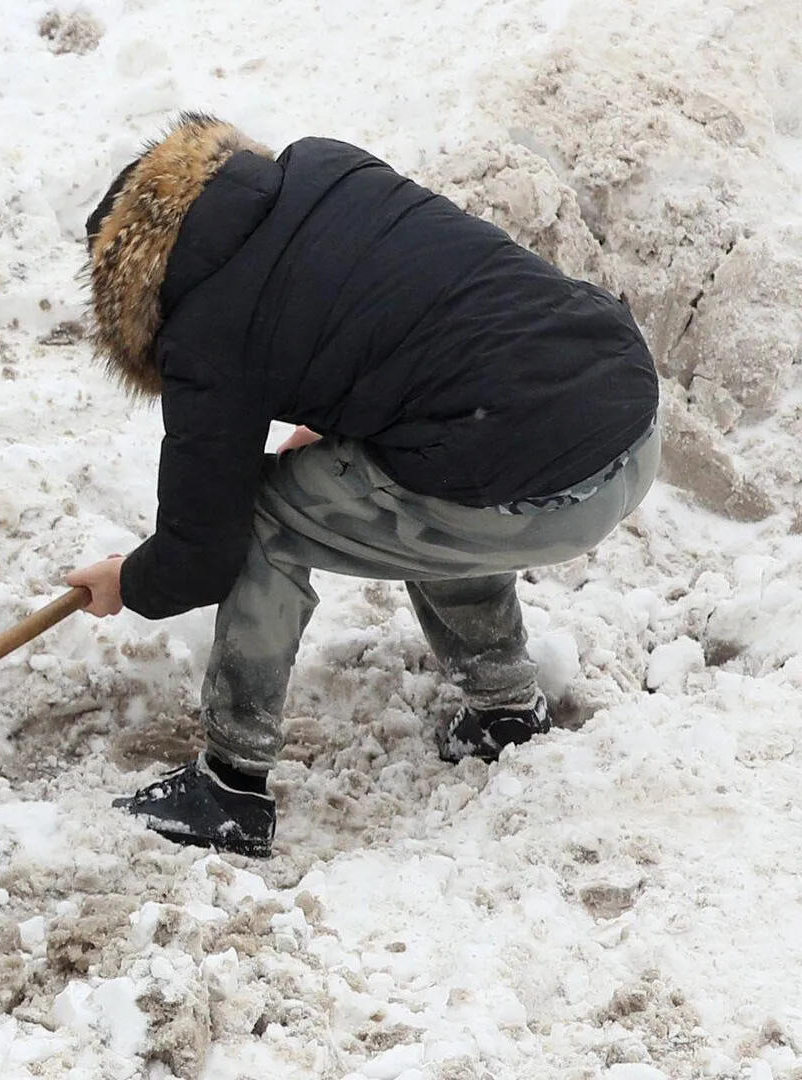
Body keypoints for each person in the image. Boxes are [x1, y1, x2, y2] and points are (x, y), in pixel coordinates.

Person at [64, 113, 660, 857]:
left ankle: (228, 789)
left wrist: (134, 582)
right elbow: (416, 324)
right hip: (626, 414)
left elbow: (205, 550)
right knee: (419, 468)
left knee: (267, 518)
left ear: (138, 295)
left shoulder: (204, 328)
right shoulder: (325, 171)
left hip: (534, 478)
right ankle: (505, 706)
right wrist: (347, 418)